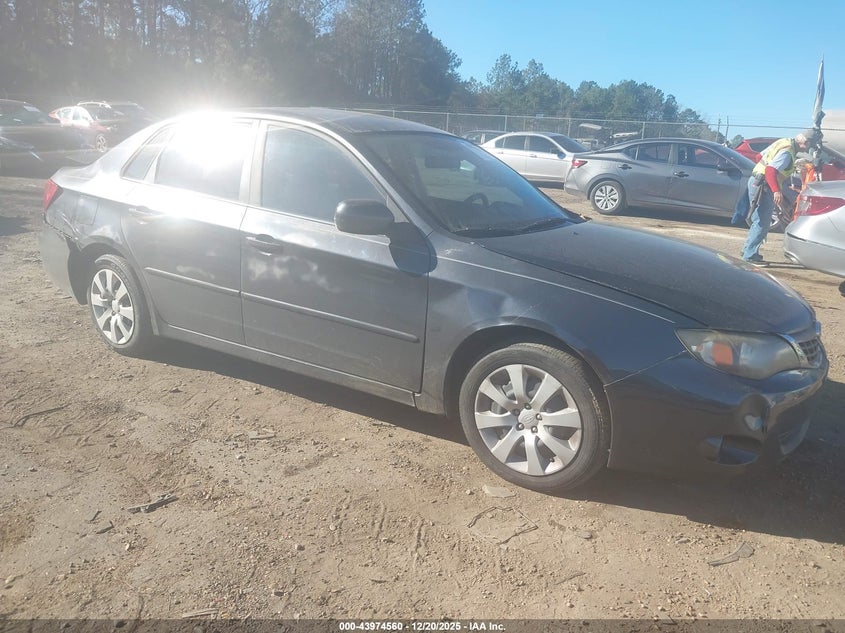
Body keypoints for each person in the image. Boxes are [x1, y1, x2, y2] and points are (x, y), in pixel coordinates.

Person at [739, 129, 822, 265]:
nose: (809, 148)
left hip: (756, 181)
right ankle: (749, 255)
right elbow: (770, 170)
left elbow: (759, 157)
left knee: (758, 219)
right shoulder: (787, 153)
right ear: (805, 143)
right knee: (762, 221)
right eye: (810, 145)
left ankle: (748, 250)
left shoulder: (783, 142)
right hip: (763, 185)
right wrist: (776, 190)